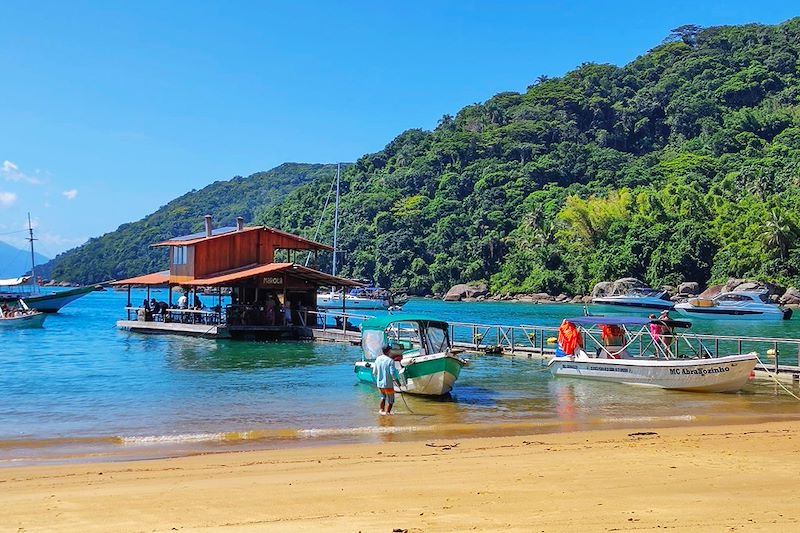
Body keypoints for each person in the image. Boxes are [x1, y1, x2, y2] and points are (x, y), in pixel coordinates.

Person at [373, 344, 402, 415]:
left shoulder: (378, 359)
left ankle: (381, 411)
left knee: (383, 397)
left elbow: (374, 372)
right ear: (389, 351)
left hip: (379, 384)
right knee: (391, 400)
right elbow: (393, 373)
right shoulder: (390, 361)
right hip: (388, 384)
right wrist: (398, 383)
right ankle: (387, 413)